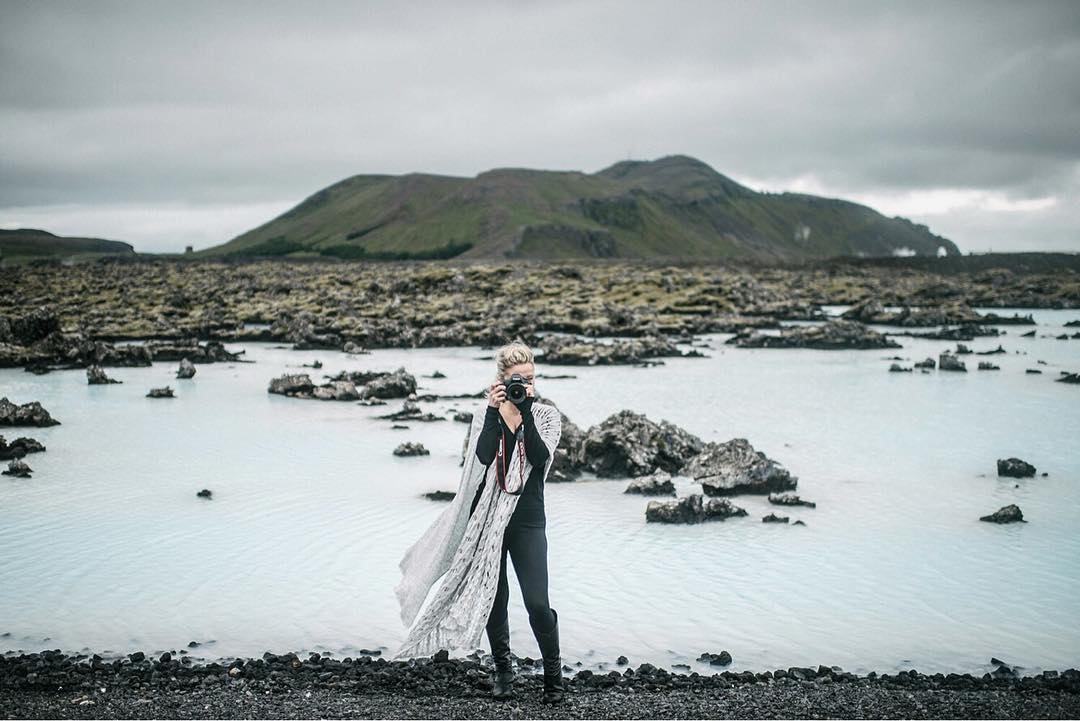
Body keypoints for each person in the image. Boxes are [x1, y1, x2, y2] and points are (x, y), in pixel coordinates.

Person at [469, 341, 563, 703]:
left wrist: (523, 414)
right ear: (501, 381)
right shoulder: (486, 413)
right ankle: (503, 672)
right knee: (495, 597)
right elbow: (480, 456)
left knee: (538, 603)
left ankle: (553, 677)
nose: (523, 385)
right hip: (491, 518)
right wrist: (495, 412)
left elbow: (540, 458)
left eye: (530, 378)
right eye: (516, 380)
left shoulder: (546, 415)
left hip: (528, 520)